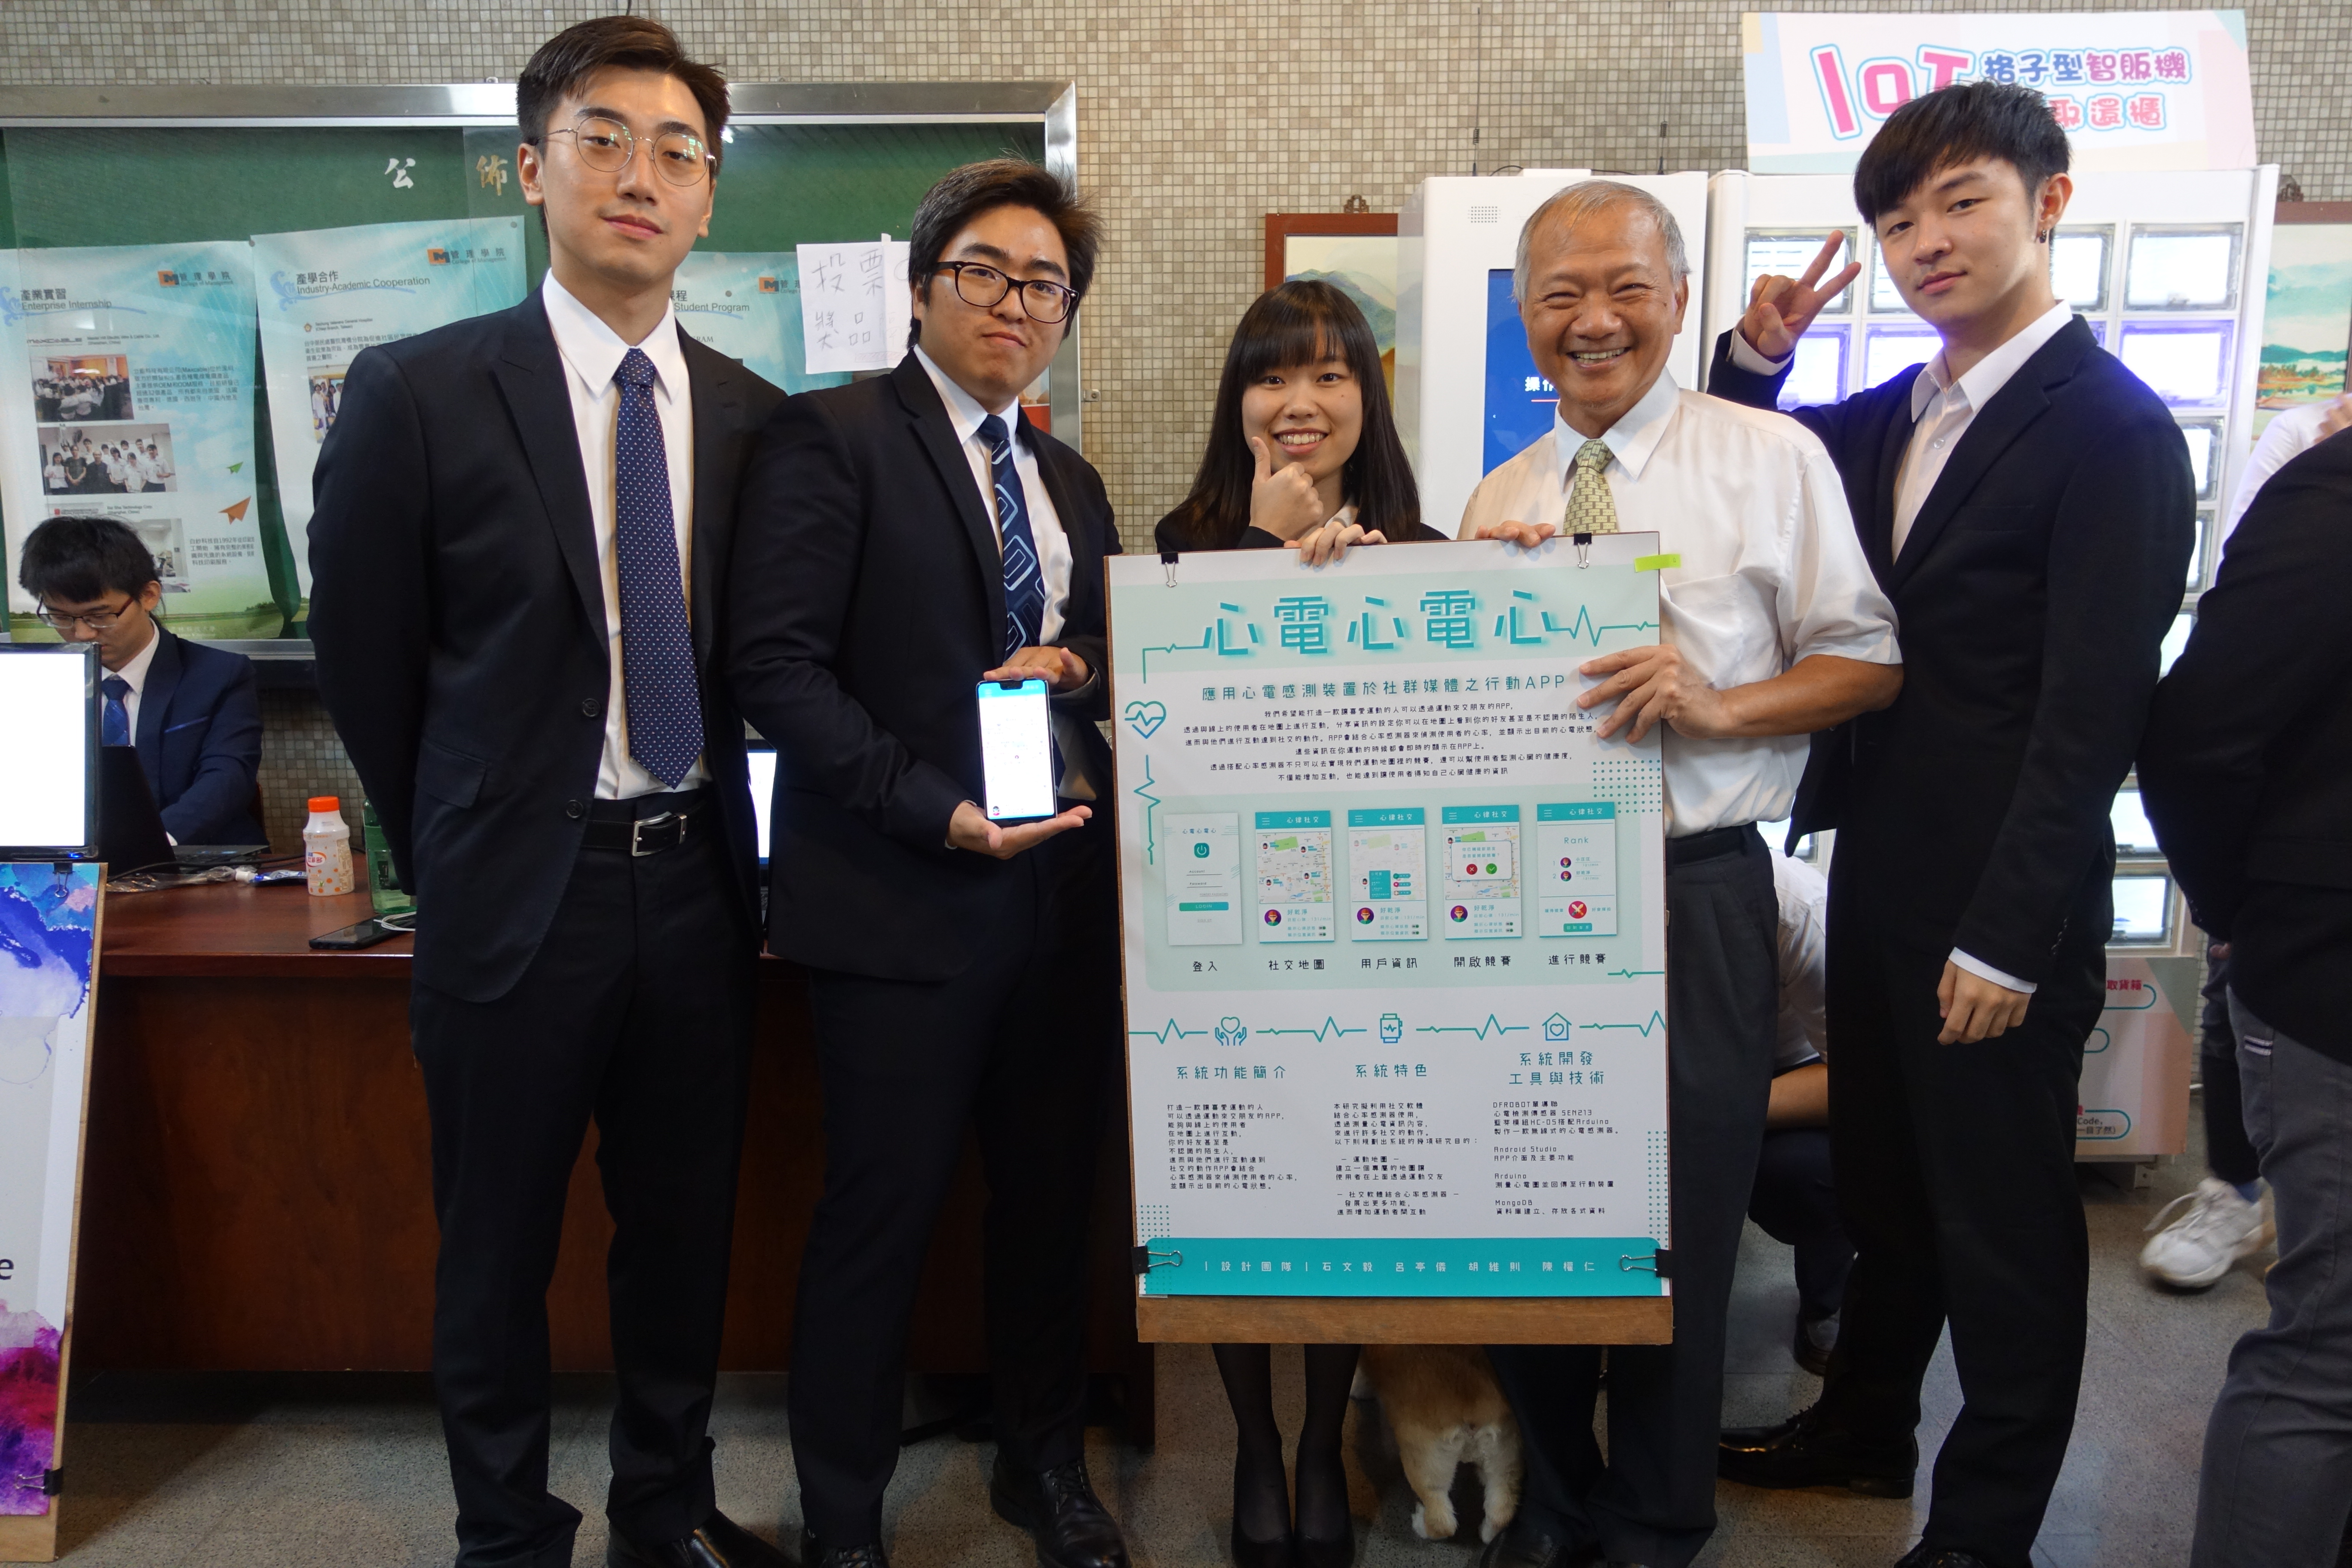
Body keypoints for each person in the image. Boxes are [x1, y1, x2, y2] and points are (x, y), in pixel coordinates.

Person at [308, 17, 788, 1568]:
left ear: (708, 195)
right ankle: (507, 1531)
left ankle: (664, 1507)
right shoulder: (418, 391)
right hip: (517, 889)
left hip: (699, 883)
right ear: (532, 168)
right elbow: (368, 664)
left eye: (678, 152)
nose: (641, 175)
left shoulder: (755, 413)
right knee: (496, 1244)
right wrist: (464, 843)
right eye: (604, 139)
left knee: (681, 1233)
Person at [1707, 83, 2196, 1568]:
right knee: (1887, 1185)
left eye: (1961, 202)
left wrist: (2008, 933)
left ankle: (1985, 1529)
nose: (1926, 241)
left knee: (2002, 1224)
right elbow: (1745, 464)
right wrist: (1757, 355)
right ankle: (1866, 1426)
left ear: (2050, 202)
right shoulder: (1903, 411)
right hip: (1882, 870)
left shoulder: (2112, 430)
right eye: (1898, 219)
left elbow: (2093, 713)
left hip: (2001, 903)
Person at [1459, 179, 1903, 1568]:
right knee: (1526, 1201)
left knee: (1684, 1223)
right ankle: (1559, 1493)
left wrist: (1718, 704)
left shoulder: (1768, 456)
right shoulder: (1501, 493)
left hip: (1696, 884)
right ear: (1526, 315)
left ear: (1678, 298)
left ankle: (1654, 1518)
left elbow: (1868, 659)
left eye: (1625, 289)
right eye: (1561, 294)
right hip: (1519, 894)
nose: (1594, 320)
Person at [728, 159, 1128, 1568]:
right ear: (921, 287)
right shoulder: (832, 437)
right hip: (901, 897)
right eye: (985, 273)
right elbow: (777, 667)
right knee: (878, 1217)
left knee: (1047, 1209)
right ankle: (843, 1518)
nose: (1015, 303)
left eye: (1045, 285)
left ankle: (1043, 1465)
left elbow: (1102, 653)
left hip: (1058, 895)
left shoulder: (1069, 477)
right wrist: (934, 811)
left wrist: (1079, 665)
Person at [1155, 277, 1433, 1568]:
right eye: (1271, 375)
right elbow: (1177, 734)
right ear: (1239, 400)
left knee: (1347, 1193)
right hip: (1224, 942)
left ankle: (1322, 1439)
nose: (1299, 400)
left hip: (1372, 941)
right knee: (1233, 1187)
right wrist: (1262, 557)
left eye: (1329, 373)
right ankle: (1255, 1445)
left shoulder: (1424, 550)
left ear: (1367, 393)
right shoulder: (1185, 541)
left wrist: (1540, 571)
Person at [2138, 426, 2352, 1568]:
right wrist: (2245, 917)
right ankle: (2231, 1190)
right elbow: (2199, 738)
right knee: (2333, 1353)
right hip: (2327, 979)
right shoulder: (2332, 491)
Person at [16, 513, 262, 847]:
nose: (82, 634)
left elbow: (227, 777)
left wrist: (150, 845)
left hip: (190, 857)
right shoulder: (31, 684)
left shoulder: (218, 675)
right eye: (60, 617)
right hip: (70, 863)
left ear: (148, 595)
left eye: (100, 616)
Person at [1750, 849, 1853, 1379]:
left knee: (1811, 1174)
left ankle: (1827, 1299)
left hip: (1790, 1068)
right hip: (1660, 1074)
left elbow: (1858, 1080)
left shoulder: (1796, 904)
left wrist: (1725, 1113)